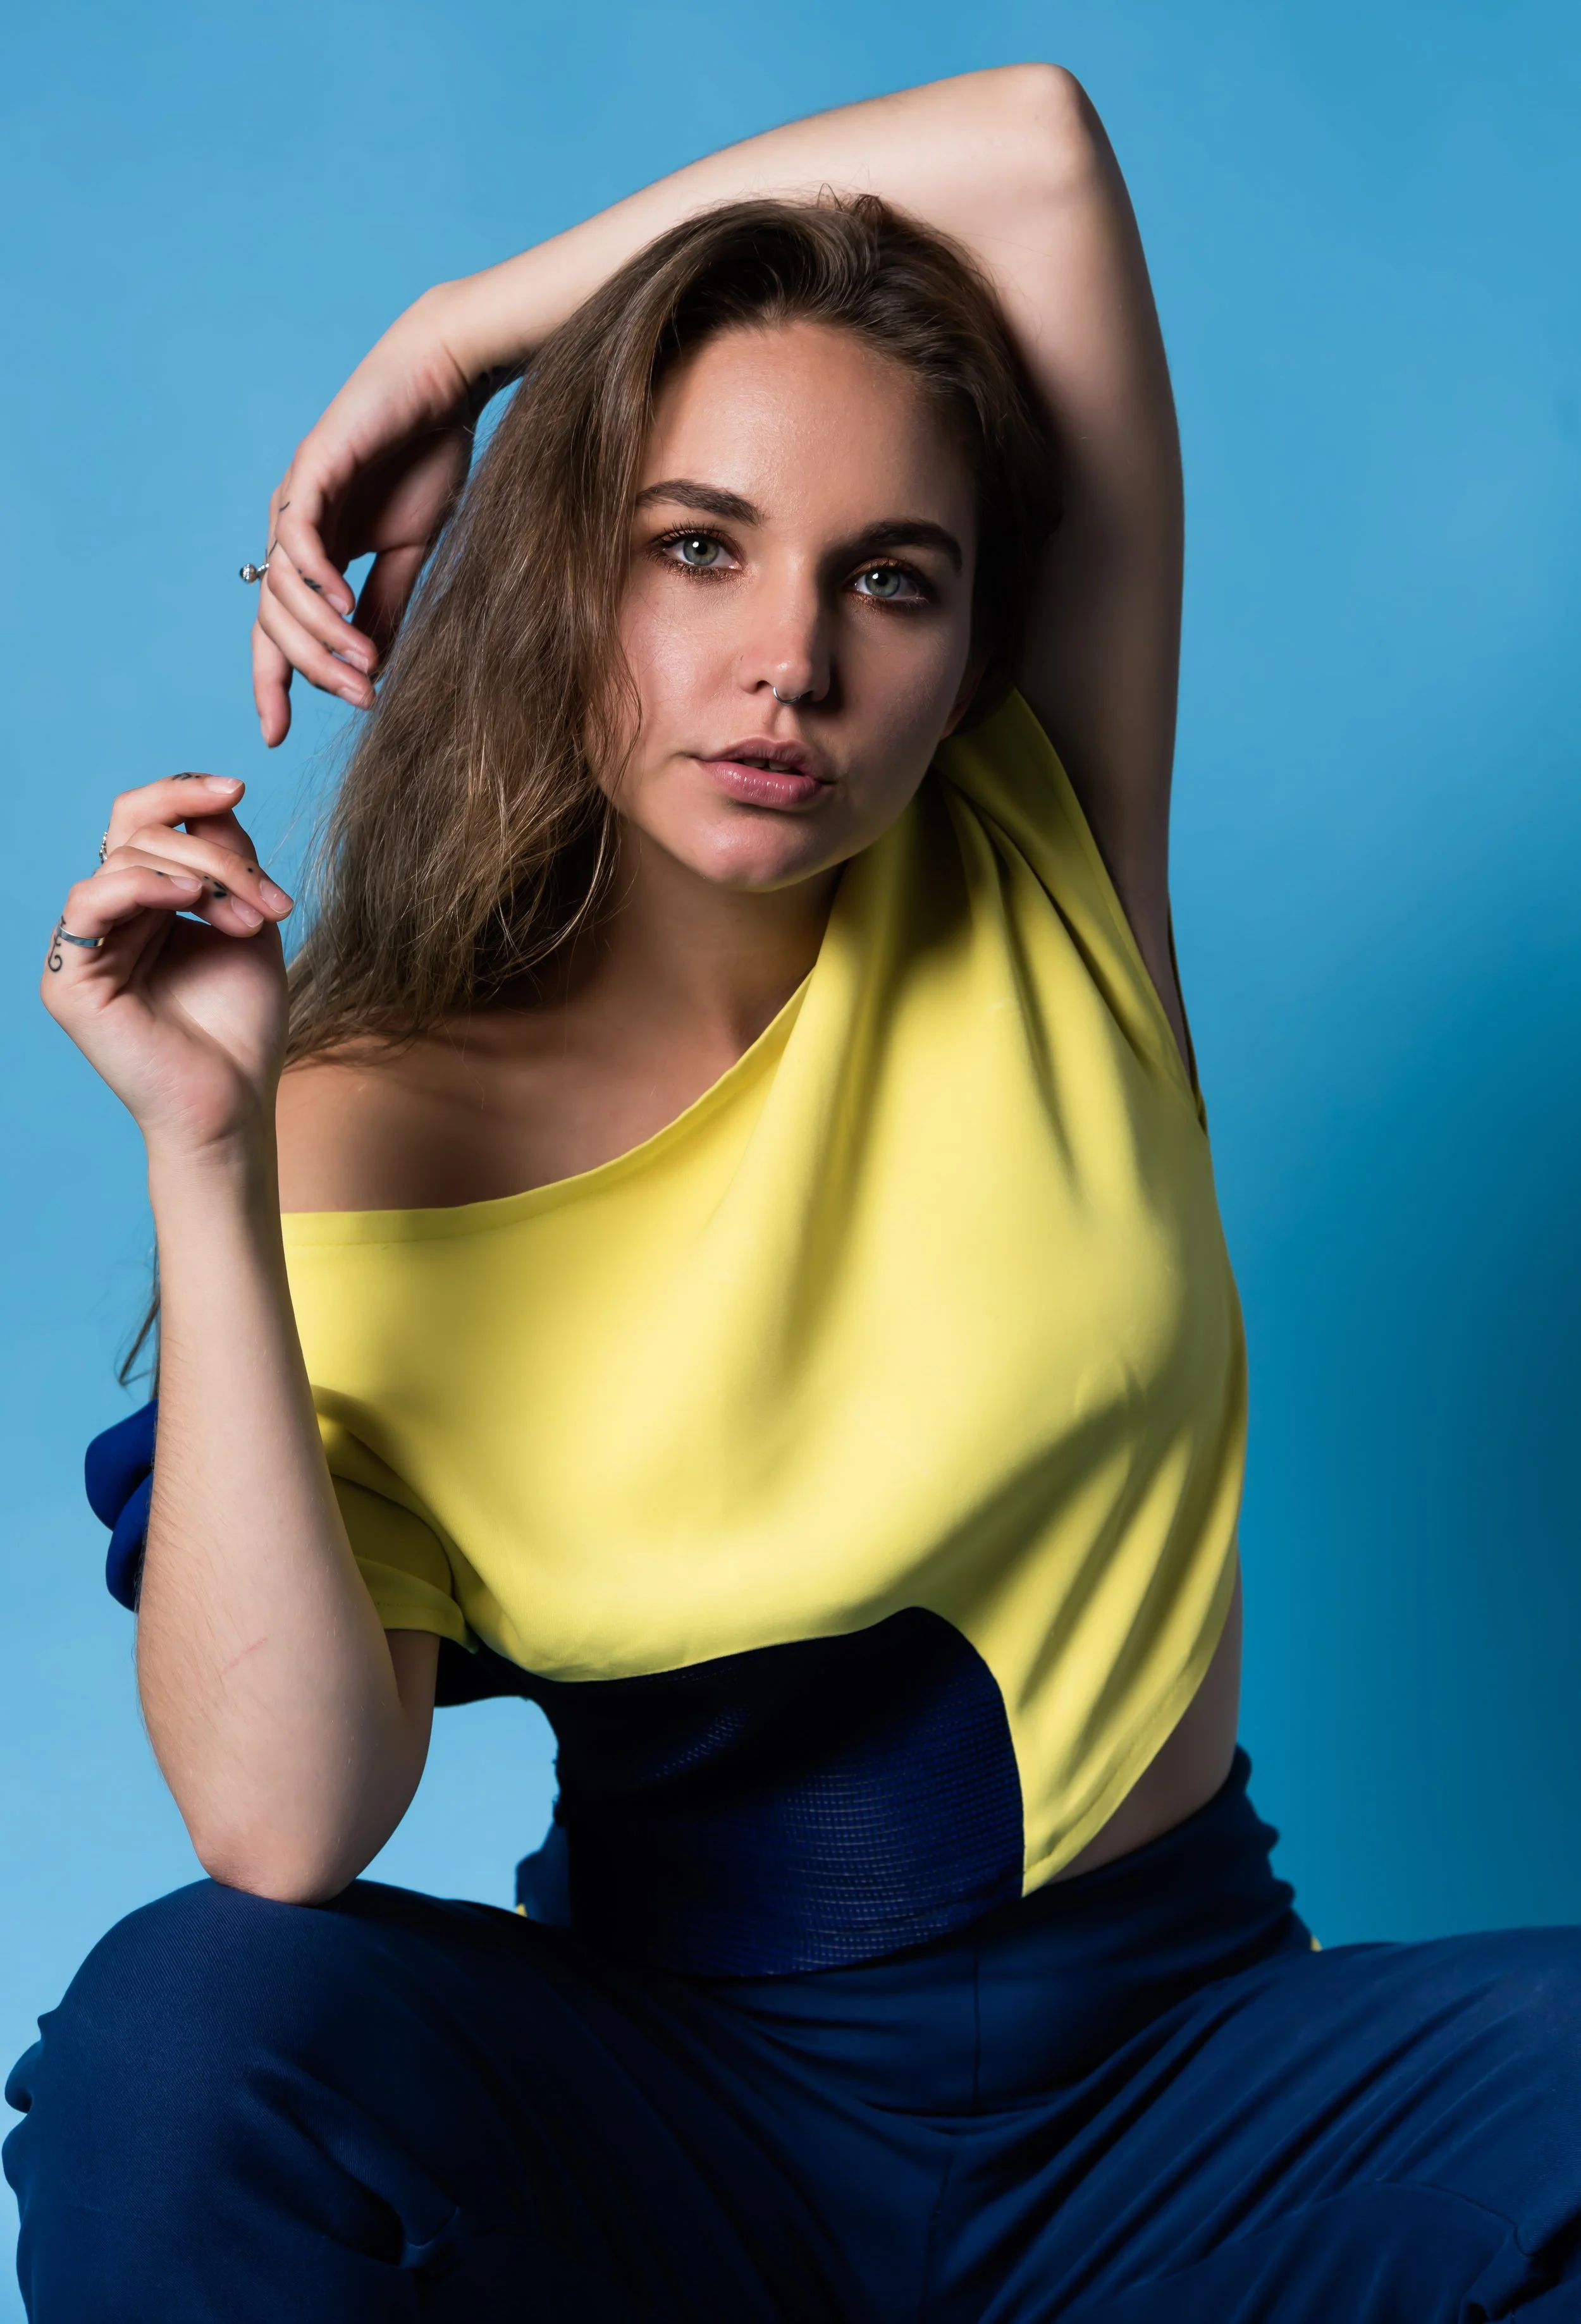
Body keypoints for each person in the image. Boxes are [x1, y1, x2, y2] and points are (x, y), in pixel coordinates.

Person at [8, 65, 1581, 2324]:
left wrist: (471, 329)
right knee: (189, 2040)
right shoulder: (366, 1128)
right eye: (695, 543)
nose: (793, 661)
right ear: (564, 575)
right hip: (680, 2131)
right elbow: (283, 1823)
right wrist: (212, 1147)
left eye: (893, 581)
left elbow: (1031, 148)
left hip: (1182, 2099)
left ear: (965, 653)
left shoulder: (1042, 858)